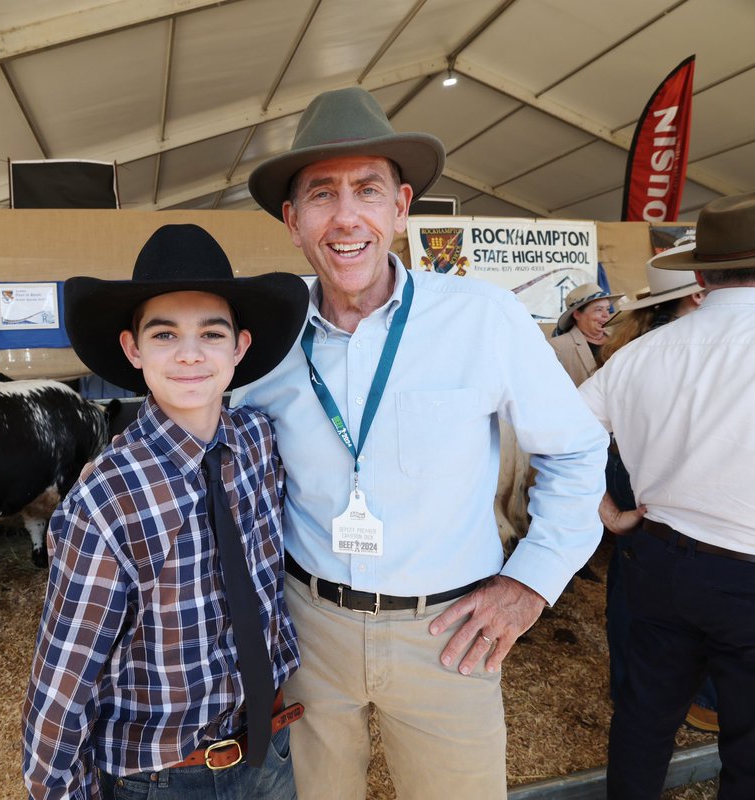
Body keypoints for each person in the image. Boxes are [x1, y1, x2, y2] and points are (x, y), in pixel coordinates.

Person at [235, 86, 609, 798]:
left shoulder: (483, 320)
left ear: (400, 208)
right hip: (306, 626)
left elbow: (579, 451)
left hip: (449, 632)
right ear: (291, 220)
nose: (346, 217)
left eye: (367, 191)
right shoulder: (267, 340)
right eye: (320, 195)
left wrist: (531, 582)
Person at [21, 224, 310, 800]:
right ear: (132, 350)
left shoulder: (257, 441)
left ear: (240, 348)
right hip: (162, 775)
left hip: (269, 749)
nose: (189, 354)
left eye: (211, 333)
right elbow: (63, 682)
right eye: (164, 334)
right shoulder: (105, 501)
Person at [578, 183, 755, 799]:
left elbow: (560, 441)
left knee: (642, 722)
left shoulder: (640, 355)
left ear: (703, 274)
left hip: (661, 565)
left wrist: (609, 514)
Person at [594, 247, 718, 730]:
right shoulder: (688, 350)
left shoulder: (635, 347)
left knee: (634, 584)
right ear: (696, 297)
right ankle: (697, 698)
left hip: (630, 470)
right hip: (660, 473)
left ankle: (633, 691)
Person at [550, 282, 623, 385]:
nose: (606, 315)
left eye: (607, 309)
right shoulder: (558, 347)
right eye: (598, 310)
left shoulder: (620, 339)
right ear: (577, 315)